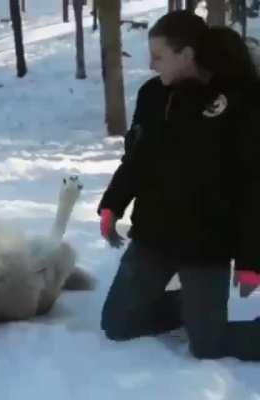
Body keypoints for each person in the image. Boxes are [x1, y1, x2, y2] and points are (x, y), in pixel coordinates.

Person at [98, 10, 260, 360]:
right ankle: (193, 307)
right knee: (117, 324)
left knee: (208, 345)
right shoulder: (152, 96)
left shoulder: (239, 102)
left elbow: (252, 188)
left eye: (159, 56)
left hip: (207, 246)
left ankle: (204, 317)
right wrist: (112, 204)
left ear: (186, 55)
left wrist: (251, 260)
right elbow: (135, 161)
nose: (152, 65)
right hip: (153, 237)